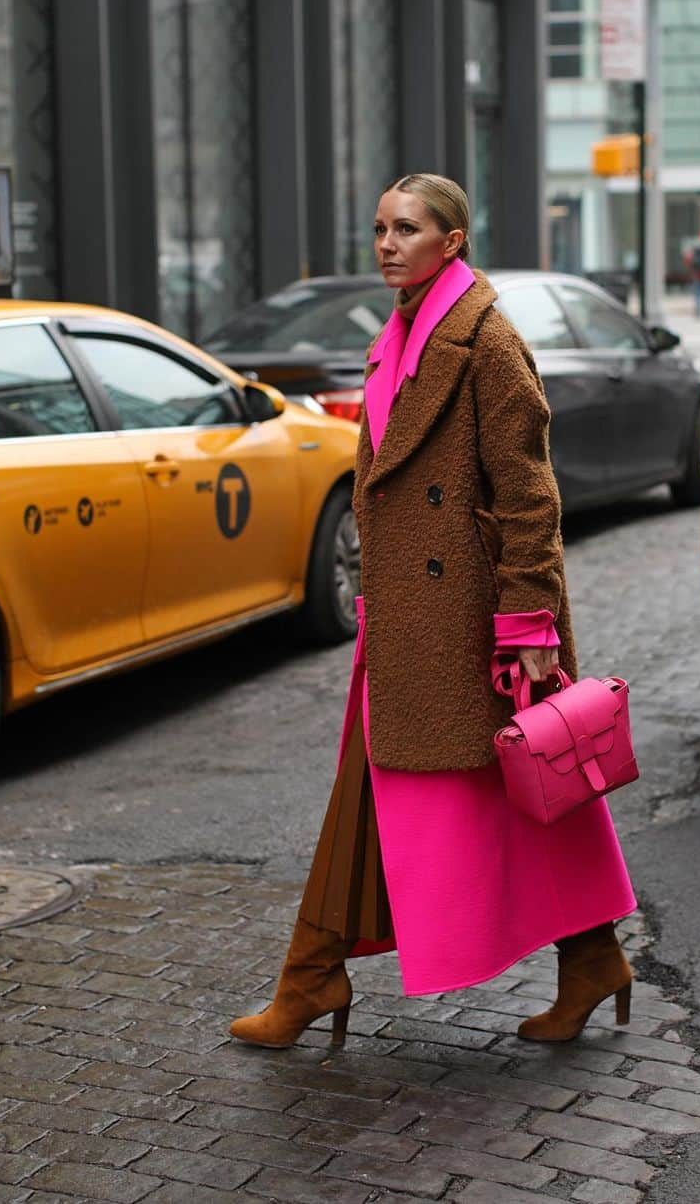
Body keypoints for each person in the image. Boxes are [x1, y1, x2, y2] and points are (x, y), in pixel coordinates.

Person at [230, 173, 636, 1050]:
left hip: (475, 624)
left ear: (450, 241)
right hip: (413, 618)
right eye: (377, 227)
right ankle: (316, 976)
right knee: (398, 787)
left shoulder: (485, 341)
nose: (385, 244)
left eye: (405, 229)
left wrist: (530, 626)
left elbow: (531, 496)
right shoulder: (404, 332)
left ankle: (316, 979)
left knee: (527, 792)